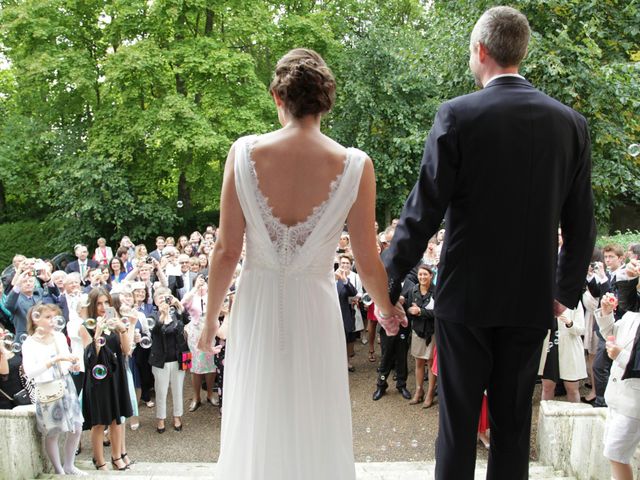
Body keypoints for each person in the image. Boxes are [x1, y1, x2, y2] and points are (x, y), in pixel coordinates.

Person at [382, 7, 596, 479]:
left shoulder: (457, 114)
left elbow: (422, 212)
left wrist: (387, 283)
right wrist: (563, 290)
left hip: (466, 298)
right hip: (530, 299)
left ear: (480, 51)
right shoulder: (570, 124)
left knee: (457, 426)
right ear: (521, 51)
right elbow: (582, 223)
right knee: (514, 425)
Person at [197, 48, 403, 480]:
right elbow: (367, 258)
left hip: (255, 307)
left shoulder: (242, 153)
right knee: (315, 415)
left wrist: (208, 322)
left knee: (258, 409)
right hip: (315, 308)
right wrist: (386, 310)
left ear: (278, 96)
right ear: (326, 100)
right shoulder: (355, 165)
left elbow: (226, 250)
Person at [22, 304, 84, 475]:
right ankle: (59, 470)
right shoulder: (29, 343)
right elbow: (30, 372)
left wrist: (73, 365)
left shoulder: (59, 337)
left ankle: (69, 465)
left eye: (54, 317)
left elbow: (65, 361)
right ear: (35, 320)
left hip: (66, 385)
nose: (52, 321)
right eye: (48, 317)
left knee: (77, 427)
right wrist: (53, 360)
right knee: (53, 432)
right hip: (47, 388)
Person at [595, 271, 640, 480]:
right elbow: (611, 332)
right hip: (617, 396)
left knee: (616, 454)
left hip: (634, 402)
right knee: (614, 453)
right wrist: (605, 313)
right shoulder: (632, 314)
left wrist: (620, 355)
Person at [148, 288, 188, 433]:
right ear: (155, 301)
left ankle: (177, 416)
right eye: (160, 298)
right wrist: (162, 315)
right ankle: (161, 419)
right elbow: (154, 332)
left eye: (166, 297)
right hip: (160, 360)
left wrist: (178, 305)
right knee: (161, 390)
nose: (163, 300)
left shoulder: (176, 314)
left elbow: (187, 320)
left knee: (178, 389)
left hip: (178, 358)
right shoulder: (152, 315)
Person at [406, 264, 437, 408]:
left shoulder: (437, 291)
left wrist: (420, 312)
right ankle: (419, 391)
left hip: (432, 332)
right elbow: (407, 308)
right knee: (418, 363)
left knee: (430, 364)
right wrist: (410, 310)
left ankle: (430, 393)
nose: (422, 277)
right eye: (420, 274)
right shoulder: (413, 290)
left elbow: (440, 312)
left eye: (425, 274)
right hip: (418, 331)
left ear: (431, 275)